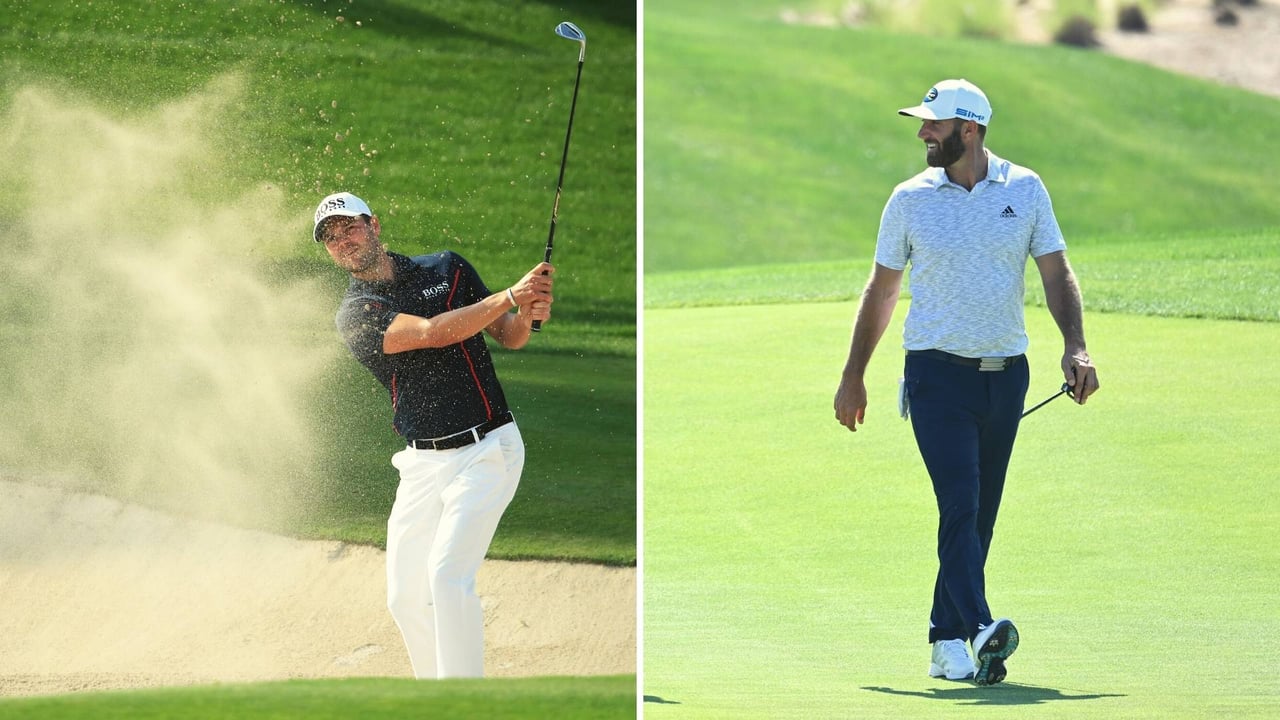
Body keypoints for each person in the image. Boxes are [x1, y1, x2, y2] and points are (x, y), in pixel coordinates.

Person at [832, 79, 1099, 686]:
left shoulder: (1025, 189)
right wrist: (854, 376)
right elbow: (882, 290)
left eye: (934, 124)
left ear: (969, 131)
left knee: (978, 517)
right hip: (934, 375)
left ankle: (944, 640)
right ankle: (981, 630)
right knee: (959, 502)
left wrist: (1076, 347)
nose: (923, 133)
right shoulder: (908, 199)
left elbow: (1057, 275)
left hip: (1007, 376)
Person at [313, 191, 554, 679]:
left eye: (350, 227)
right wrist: (510, 295)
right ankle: (438, 696)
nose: (343, 241)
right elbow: (431, 332)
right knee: (405, 597)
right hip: (422, 463)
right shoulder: (356, 312)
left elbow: (510, 335)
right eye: (331, 238)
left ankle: (464, 702)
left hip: (487, 447)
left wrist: (528, 308)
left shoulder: (448, 269)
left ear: (374, 224)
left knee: (447, 577)